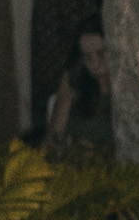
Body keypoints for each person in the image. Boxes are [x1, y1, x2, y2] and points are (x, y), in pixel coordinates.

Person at [44, 13, 112, 153]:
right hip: (74, 158)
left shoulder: (129, 85)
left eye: (101, 53)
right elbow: (54, 135)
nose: (94, 63)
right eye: (87, 56)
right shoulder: (74, 80)